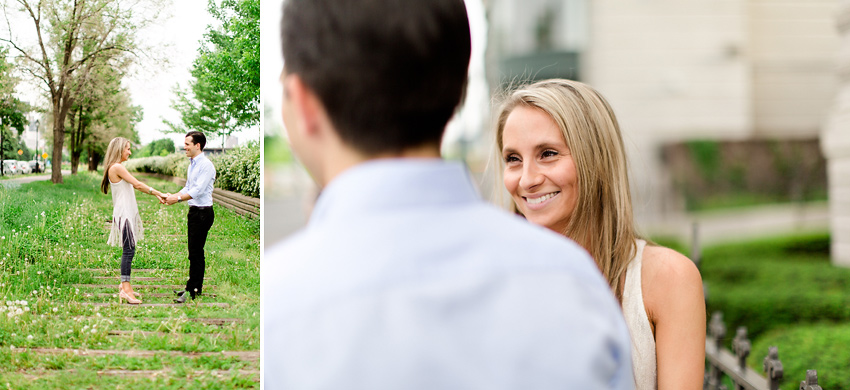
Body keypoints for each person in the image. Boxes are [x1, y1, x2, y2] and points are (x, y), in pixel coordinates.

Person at [263, 0, 634, 388]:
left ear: (302, 102)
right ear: (460, 89)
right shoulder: (575, 283)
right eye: (513, 159)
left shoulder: (280, 305)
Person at [495, 79, 706, 389]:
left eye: (548, 153)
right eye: (513, 159)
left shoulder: (667, 278)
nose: (526, 179)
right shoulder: (495, 280)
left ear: (595, 160)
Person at [100, 137, 167, 305]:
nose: (129, 152)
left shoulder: (117, 167)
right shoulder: (116, 167)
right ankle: (126, 288)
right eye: (127, 149)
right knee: (129, 250)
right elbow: (137, 184)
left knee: (129, 248)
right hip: (123, 213)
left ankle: (125, 286)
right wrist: (159, 193)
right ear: (119, 149)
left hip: (125, 213)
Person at [164, 131, 216, 304]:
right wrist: (173, 196)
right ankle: (191, 287)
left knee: (196, 253)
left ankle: (193, 291)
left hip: (203, 212)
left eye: (187, 144)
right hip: (194, 212)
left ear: (197, 146)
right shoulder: (192, 164)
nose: (184, 147)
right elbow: (188, 187)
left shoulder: (206, 165)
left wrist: (177, 199)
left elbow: (198, 191)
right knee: (193, 252)